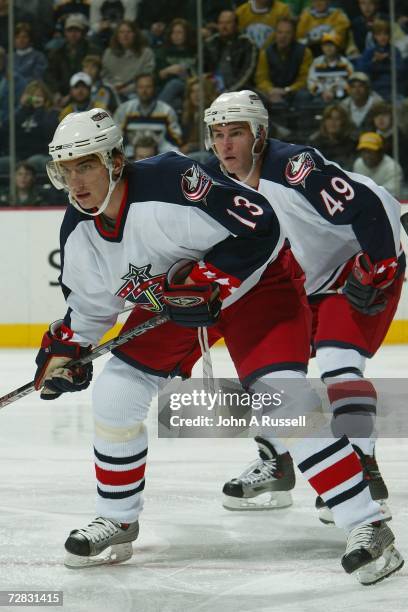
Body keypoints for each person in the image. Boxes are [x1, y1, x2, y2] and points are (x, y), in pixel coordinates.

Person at [35, 107, 328, 575]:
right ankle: (118, 518)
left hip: (253, 287)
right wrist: (65, 352)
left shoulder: (172, 180)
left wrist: (209, 281)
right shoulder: (80, 229)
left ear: (113, 160)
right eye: (66, 170)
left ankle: (361, 512)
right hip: (180, 302)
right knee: (116, 392)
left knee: (283, 397)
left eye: (85, 165)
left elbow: (261, 228)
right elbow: (90, 310)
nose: (76, 181)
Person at [202, 90, 405, 585]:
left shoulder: (294, 168)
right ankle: (277, 461)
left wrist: (378, 266)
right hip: (302, 275)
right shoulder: (218, 183)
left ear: (260, 134)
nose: (226, 144)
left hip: (358, 262)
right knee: (274, 378)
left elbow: (367, 210)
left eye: (237, 133)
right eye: (218, 134)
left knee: (338, 364)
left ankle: (362, 463)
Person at [114, 73, 182, 155]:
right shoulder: (124, 109)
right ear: (136, 89)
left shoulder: (166, 110)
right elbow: (116, 137)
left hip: (161, 154)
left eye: (148, 87)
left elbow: (176, 138)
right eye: (141, 87)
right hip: (130, 153)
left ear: (154, 88)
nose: (144, 91)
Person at [255, 16, 313, 107]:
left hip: (294, 92)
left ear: (294, 34)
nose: (283, 36)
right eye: (280, 32)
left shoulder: (304, 52)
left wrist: (287, 90)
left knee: (304, 96)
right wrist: (270, 90)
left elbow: (304, 79)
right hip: (271, 92)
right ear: (275, 34)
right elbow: (261, 79)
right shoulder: (265, 53)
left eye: (288, 33)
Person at [204, 10, 258, 93]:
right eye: (221, 23)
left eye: (228, 23)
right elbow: (199, 67)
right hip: (212, 90)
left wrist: (229, 92)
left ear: (236, 25)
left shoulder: (247, 44)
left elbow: (247, 74)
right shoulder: (210, 43)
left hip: (240, 91)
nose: (224, 26)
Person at [101, 20, 155, 101]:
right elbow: (104, 76)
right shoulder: (108, 53)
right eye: (121, 32)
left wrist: (127, 89)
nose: (125, 35)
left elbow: (147, 76)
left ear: (135, 34)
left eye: (129, 32)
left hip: (135, 93)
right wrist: (112, 88)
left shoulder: (146, 53)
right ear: (117, 35)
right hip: (111, 91)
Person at [353, 131, 403, 197]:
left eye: (371, 151)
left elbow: (392, 196)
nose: (367, 156)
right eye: (364, 151)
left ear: (381, 152)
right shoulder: (358, 164)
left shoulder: (393, 167)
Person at [308, 103, 357, 170]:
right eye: (329, 118)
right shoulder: (315, 143)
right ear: (324, 121)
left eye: (337, 119)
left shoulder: (351, 144)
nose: (332, 122)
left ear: (344, 122)